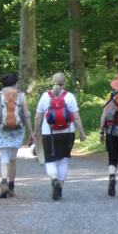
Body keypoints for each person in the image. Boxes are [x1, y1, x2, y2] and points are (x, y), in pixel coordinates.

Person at [34, 72, 86, 200]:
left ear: (52, 82)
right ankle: (60, 189)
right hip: (68, 133)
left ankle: (54, 179)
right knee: (63, 160)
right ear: (65, 83)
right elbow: (76, 117)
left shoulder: (45, 96)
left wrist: (36, 131)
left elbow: (38, 116)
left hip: (49, 133)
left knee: (50, 160)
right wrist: (82, 132)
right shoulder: (70, 97)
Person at [0, 73, 34, 198]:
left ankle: (3, 183)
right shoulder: (21, 96)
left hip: (2, 130)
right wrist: (31, 133)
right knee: (13, 160)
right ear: (15, 83)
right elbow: (27, 115)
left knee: (4, 158)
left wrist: (0, 120)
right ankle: (11, 187)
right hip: (17, 131)